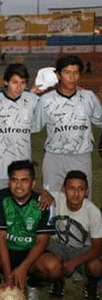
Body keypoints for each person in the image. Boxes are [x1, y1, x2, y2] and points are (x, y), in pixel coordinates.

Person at [0, 160, 60, 300]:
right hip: (4, 250)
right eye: (14, 180)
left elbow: (41, 242)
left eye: (24, 180)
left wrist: (23, 268)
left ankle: (32, 284)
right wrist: (9, 278)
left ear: (33, 184)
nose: (19, 185)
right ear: (9, 182)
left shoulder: (44, 203)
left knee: (54, 268)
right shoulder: (0, 199)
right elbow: (1, 240)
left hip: (30, 251)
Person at [32, 54, 102, 198]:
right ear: (58, 75)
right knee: (52, 202)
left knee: (81, 202)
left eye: (76, 73)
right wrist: (30, 98)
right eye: (67, 73)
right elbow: (34, 126)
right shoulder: (46, 100)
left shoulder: (88, 97)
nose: (72, 77)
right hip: (54, 158)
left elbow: (100, 121)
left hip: (81, 157)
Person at [48, 170, 102, 300]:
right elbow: (34, 192)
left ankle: (91, 283)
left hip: (83, 249)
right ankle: (57, 281)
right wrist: (44, 193)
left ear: (87, 191)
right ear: (63, 189)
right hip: (59, 246)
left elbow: (97, 248)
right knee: (50, 264)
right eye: (71, 188)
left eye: (81, 189)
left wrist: (75, 262)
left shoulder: (93, 212)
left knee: (96, 267)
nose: (76, 193)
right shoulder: (55, 199)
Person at [0, 63, 38, 192]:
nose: (19, 87)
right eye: (15, 82)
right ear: (5, 82)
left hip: (22, 169)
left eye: (23, 83)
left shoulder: (33, 101)